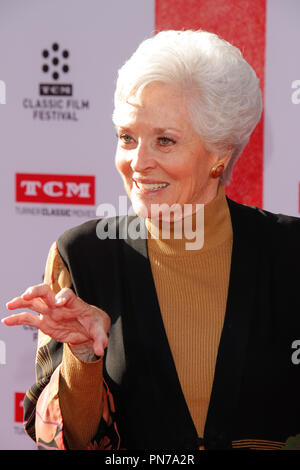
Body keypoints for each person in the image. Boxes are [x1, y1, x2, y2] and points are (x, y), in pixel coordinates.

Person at [3, 29, 300, 451]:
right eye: (127, 137)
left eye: (165, 140)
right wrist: (83, 358)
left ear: (220, 152)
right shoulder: (84, 256)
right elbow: (61, 444)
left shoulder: (290, 253)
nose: (138, 163)